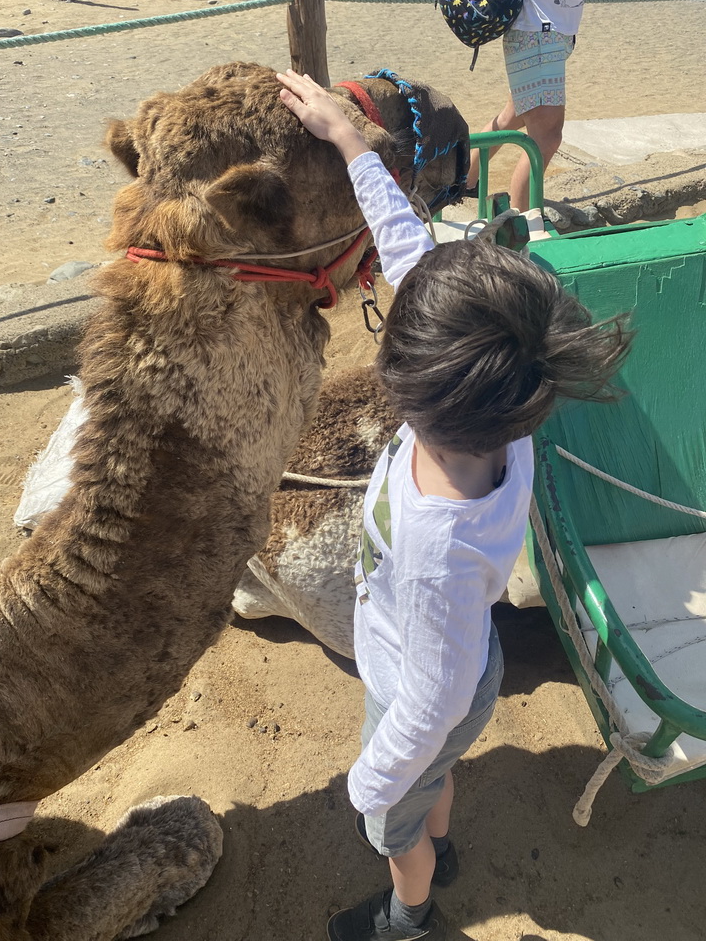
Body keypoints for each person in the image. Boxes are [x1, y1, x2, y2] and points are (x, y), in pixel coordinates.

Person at [278, 68, 633, 941]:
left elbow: (428, 707)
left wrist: (373, 785)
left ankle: (411, 911)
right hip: (463, 674)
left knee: (396, 820)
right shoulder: (504, 408)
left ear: (405, 383)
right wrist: (350, 141)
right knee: (437, 773)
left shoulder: (438, 548)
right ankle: (439, 836)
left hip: (420, 685)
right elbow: (410, 254)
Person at [465, 0, 689, 210]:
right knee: (547, 134)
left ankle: (459, 183)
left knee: (515, 116)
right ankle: (522, 224)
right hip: (533, 25)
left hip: (558, 27)